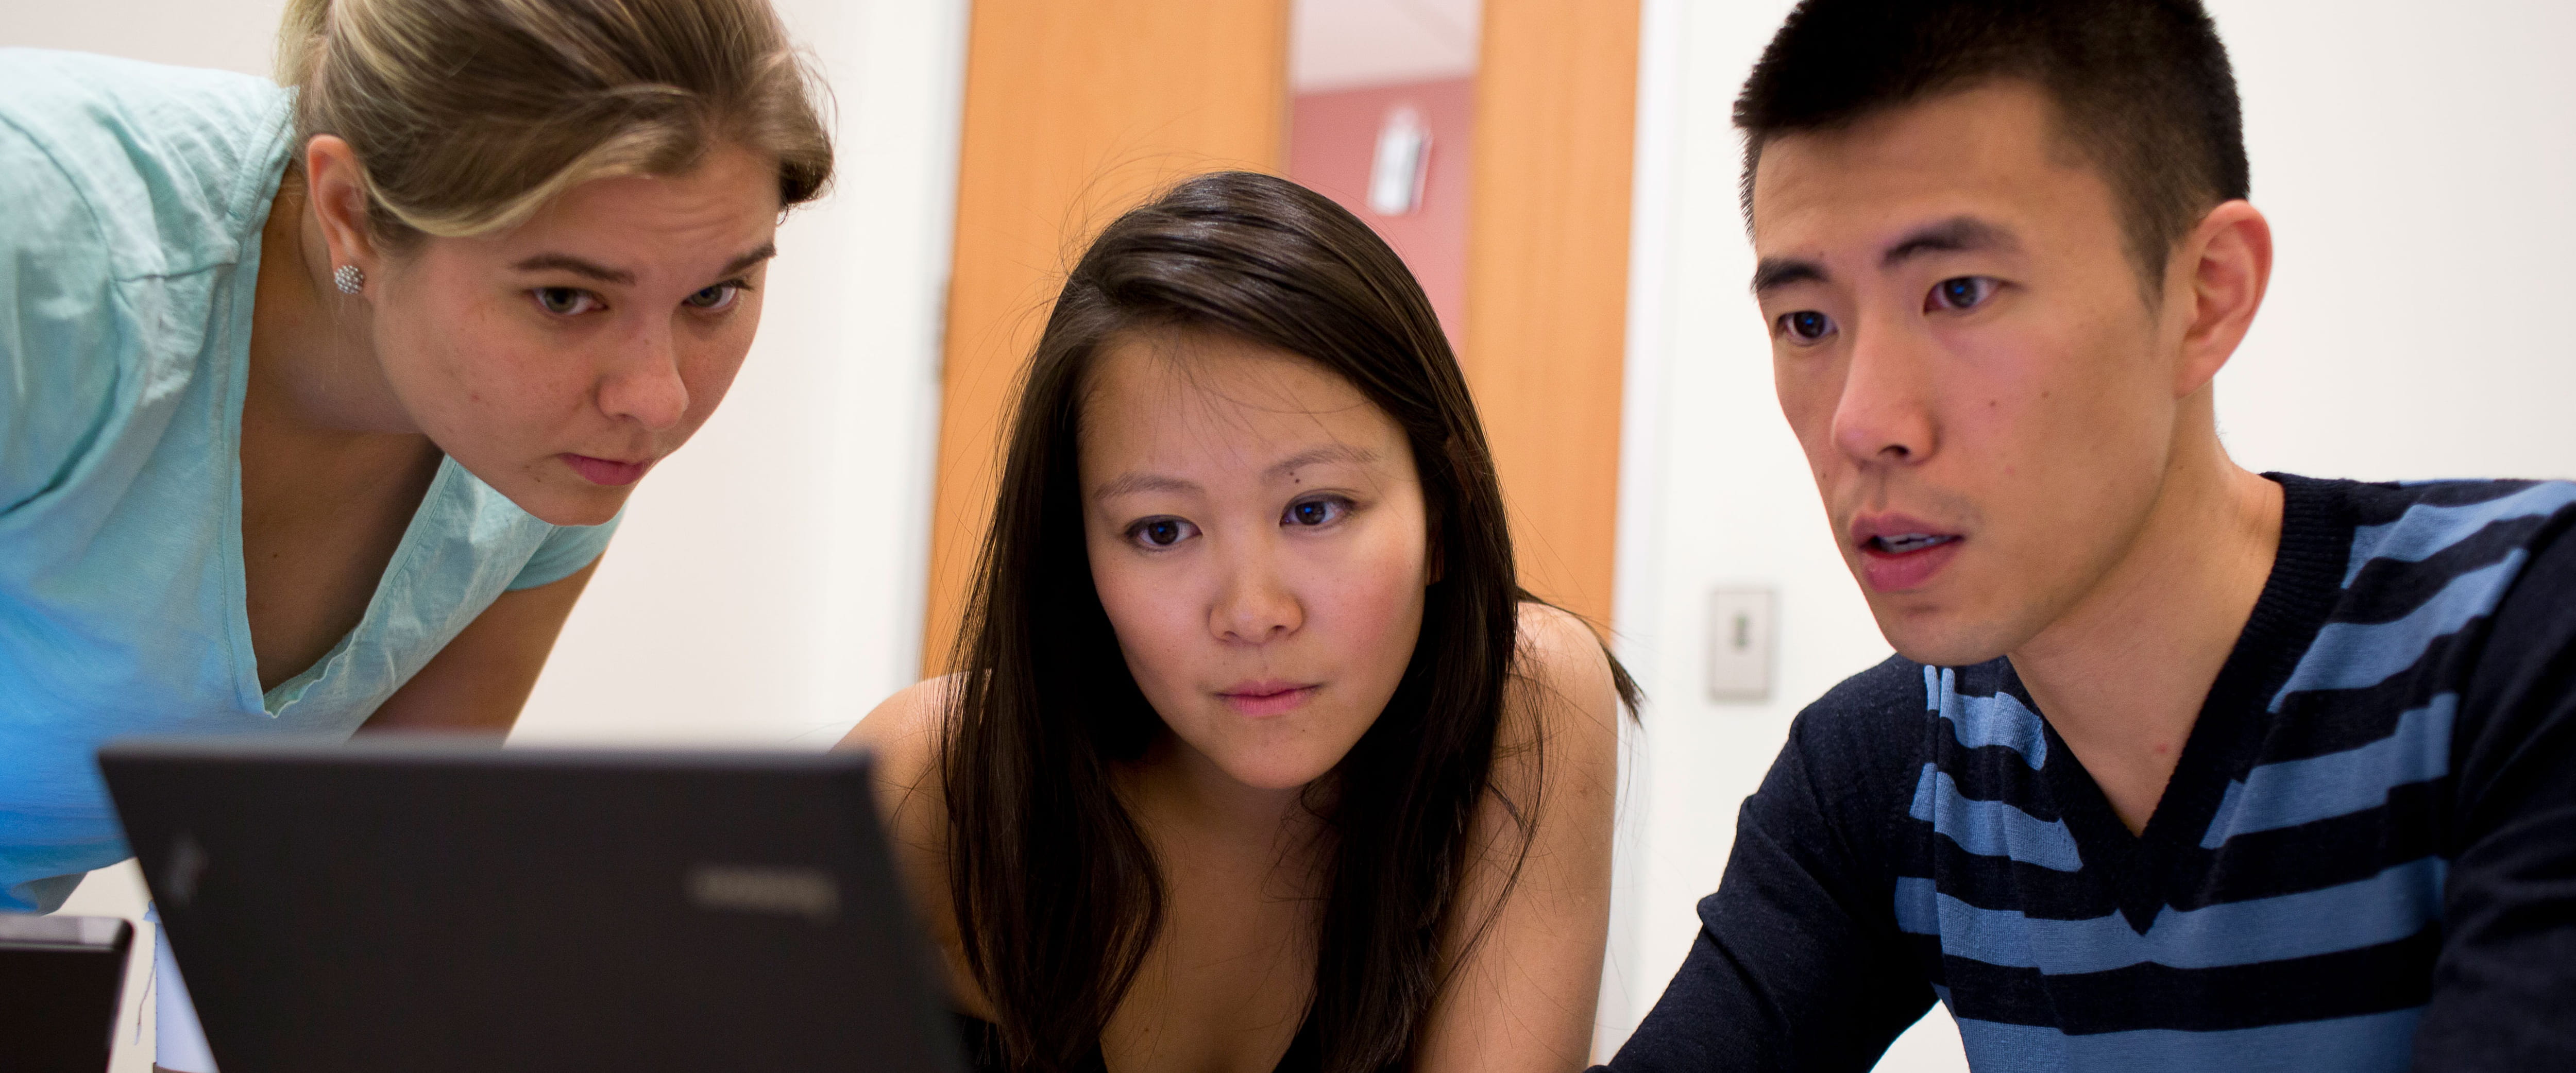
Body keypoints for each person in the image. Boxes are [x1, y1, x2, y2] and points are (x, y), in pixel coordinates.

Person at [1602, 1, 2576, 1070]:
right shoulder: (1888, 766)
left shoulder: (2521, 635)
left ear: (2206, 295)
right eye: (1807, 323)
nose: (1863, 422)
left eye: (1958, 292)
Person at [0, 0, 832, 1067]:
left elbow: (314, 941)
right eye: (567, 296)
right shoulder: (49, 252)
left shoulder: (544, 457)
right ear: (348, 209)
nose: (657, 396)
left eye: (716, 291)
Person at [841, 171, 1635, 1073]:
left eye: (1316, 511)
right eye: (1163, 530)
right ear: (1079, 558)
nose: (1253, 613)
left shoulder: (1526, 706)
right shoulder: (929, 784)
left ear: (1443, 514)